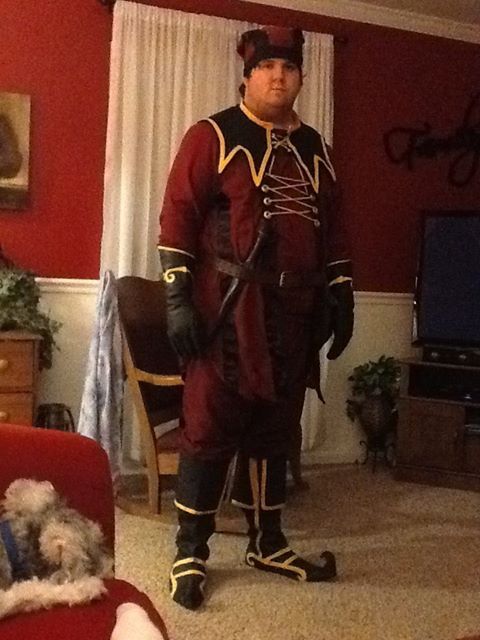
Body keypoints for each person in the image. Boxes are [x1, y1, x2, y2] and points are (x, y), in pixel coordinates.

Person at [158, 25, 354, 611]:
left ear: (301, 77)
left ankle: (267, 541)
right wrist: (177, 298)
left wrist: (342, 293)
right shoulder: (212, 135)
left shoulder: (316, 147)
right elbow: (177, 215)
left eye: (288, 68)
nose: (278, 77)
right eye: (267, 67)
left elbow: (335, 227)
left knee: (275, 430)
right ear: (247, 77)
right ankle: (190, 550)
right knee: (209, 426)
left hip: (296, 316)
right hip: (227, 315)